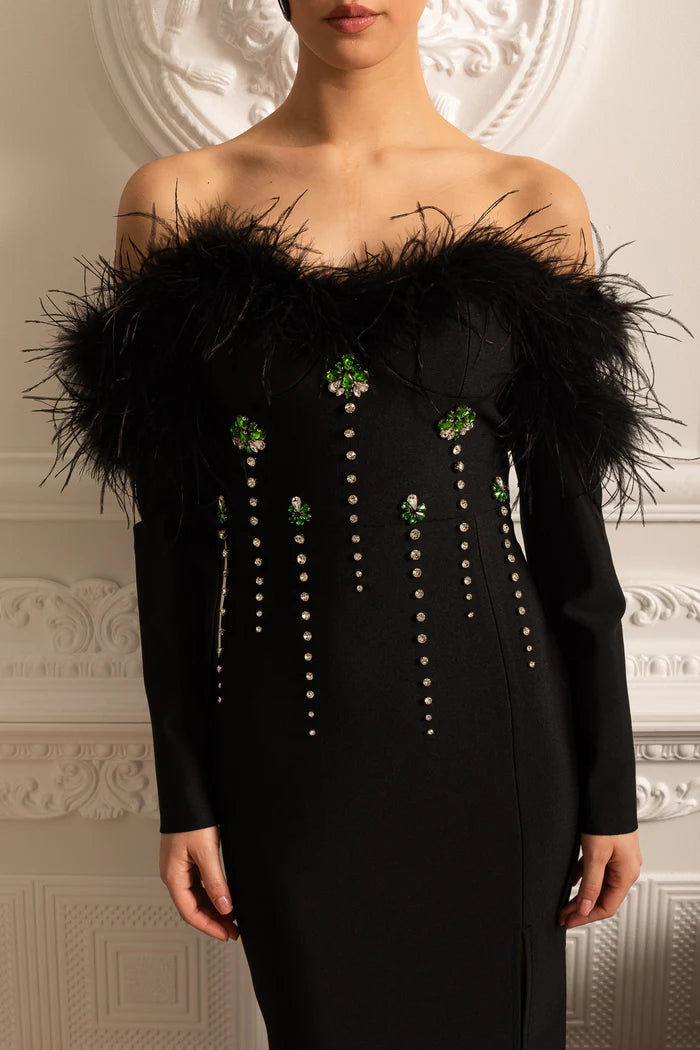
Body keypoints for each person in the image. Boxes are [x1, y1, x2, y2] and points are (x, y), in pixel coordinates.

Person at [22, 2, 692, 1047]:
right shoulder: (176, 200)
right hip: (286, 755)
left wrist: (611, 793)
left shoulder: (532, 201)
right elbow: (174, 537)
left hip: (498, 750)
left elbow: (571, 533)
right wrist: (183, 794)